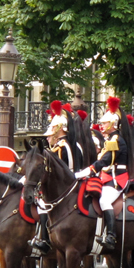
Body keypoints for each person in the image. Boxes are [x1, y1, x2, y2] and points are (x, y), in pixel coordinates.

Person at [75, 96, 129, 250]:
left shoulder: (115, 140)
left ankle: (111, 235)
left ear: (112, 124)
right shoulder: (110, 139)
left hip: (116, 179)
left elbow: (106, 161)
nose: (102, 125)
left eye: (104, 123)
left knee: (105, 200)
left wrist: (88, 171)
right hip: (107, 177)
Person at [30, 100, 80, 254]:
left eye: (51, 134)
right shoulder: (63, 145)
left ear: (59, 130)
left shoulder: (62, 147)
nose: (47, 138)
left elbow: (62, 169)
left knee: (43, 206)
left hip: (65, 183)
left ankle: (44, 240)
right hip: (64, 181)